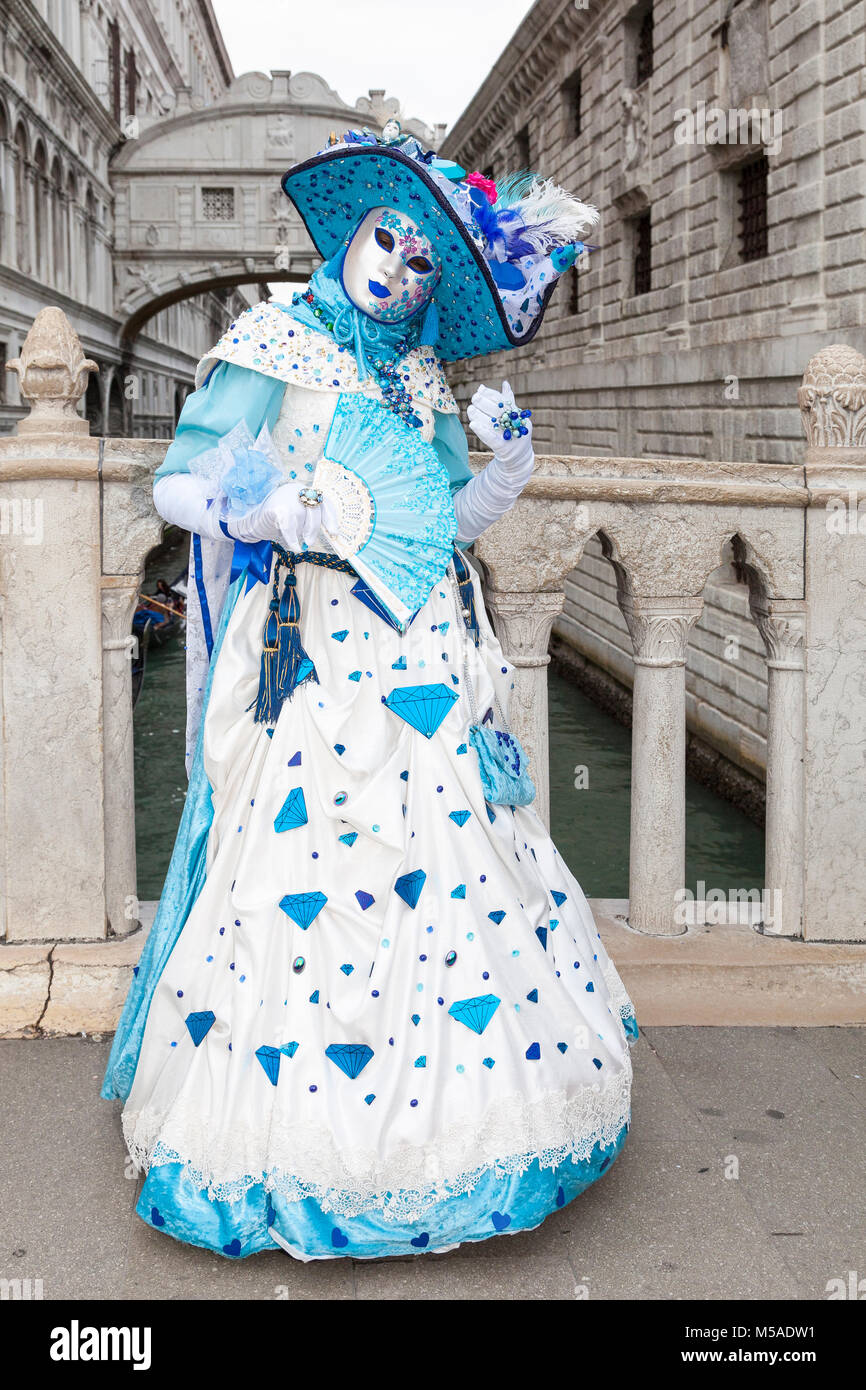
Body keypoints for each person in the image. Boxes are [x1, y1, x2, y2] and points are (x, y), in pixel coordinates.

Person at [102, 124, 637, 1261]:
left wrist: (497, 472)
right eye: (390, 239)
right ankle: (291, 1148)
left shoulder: (415, 371)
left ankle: (470, 1134)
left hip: (428, 656)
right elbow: (179, 484)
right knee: (302, 873)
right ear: (353, 227)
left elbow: (435, 523)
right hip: (313, 659)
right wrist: (269, 514)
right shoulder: (273, 339)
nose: (399, 270)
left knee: (460, 875)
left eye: (425, 263)